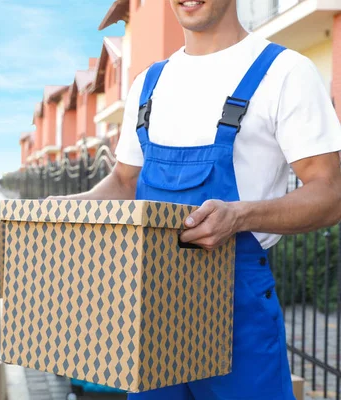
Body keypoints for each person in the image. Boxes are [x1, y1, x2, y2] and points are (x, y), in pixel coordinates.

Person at [50, 1, 341, 399]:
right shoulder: (149, 83)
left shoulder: (284, 72)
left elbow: (330, 193)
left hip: (238, 312)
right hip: (148, 311)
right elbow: (123, 181)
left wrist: (239, 216)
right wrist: (61, 211)